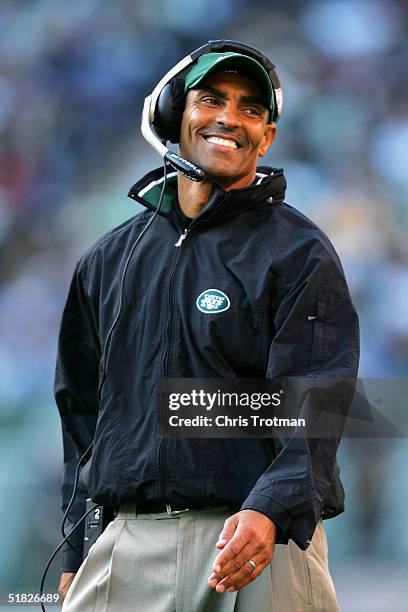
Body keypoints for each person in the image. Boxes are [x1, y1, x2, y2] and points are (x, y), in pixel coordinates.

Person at [56, 41, 359, 611]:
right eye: (212, 99)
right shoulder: (105, 260)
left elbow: (317, 399)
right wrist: (78, 548)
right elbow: (80, 419)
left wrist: (270, 507)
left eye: (250, 109)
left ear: (266, 137)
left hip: (257, 547)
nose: (228, 119)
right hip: (128, 546)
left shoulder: (301, 253)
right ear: (175, 113)